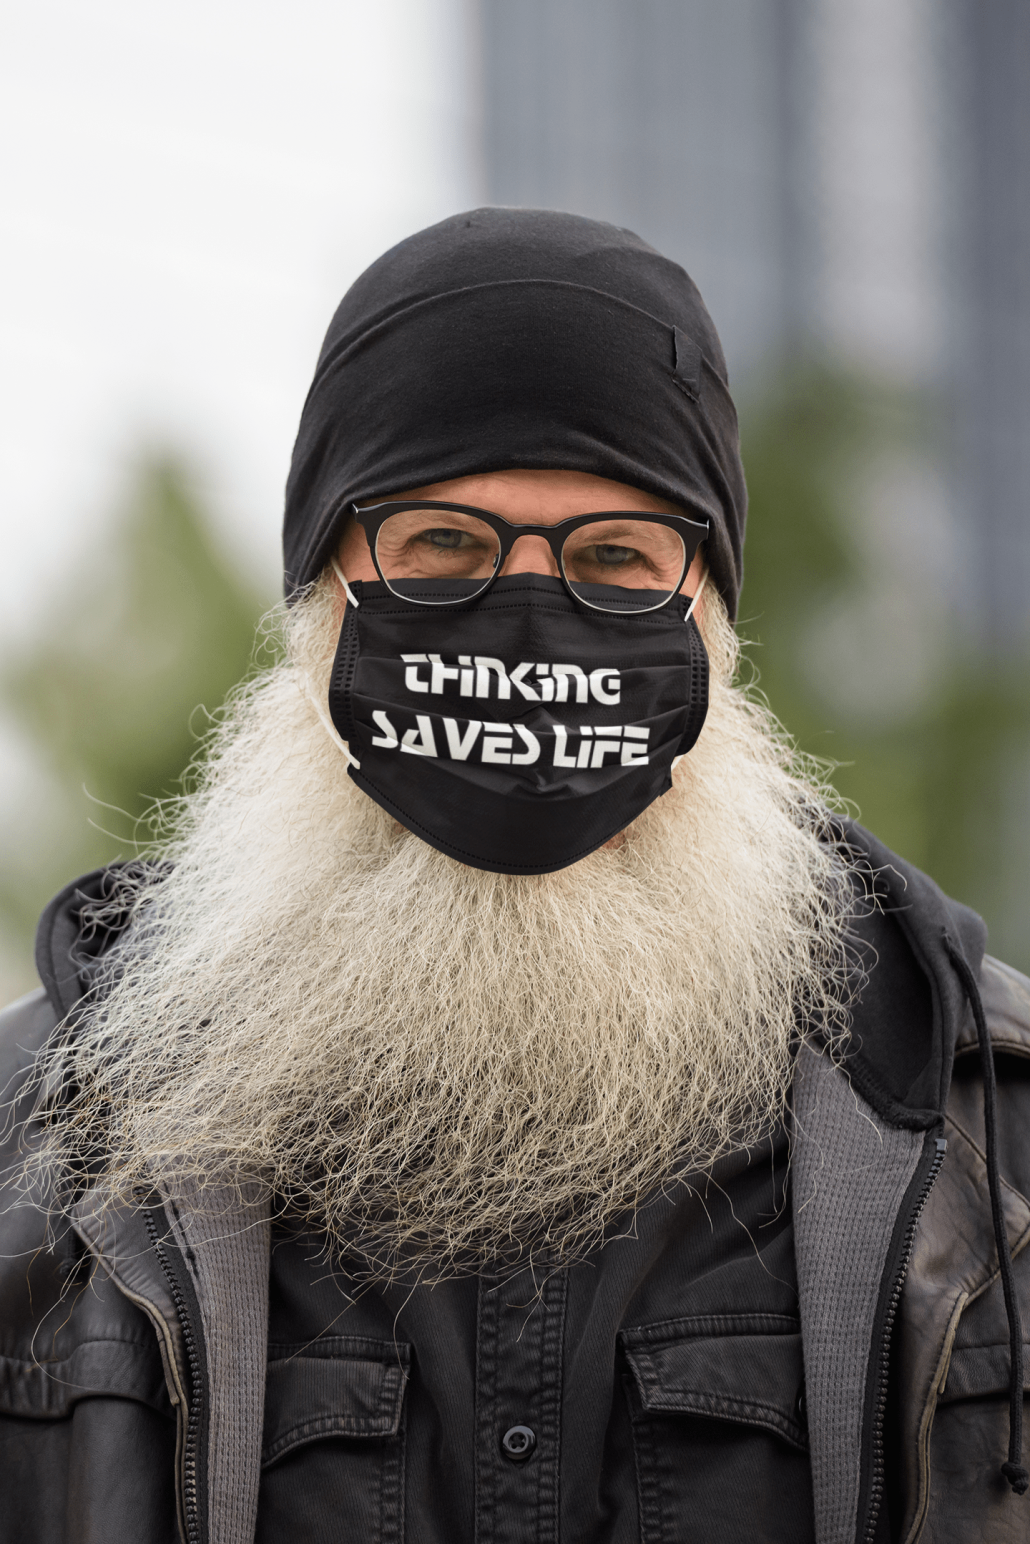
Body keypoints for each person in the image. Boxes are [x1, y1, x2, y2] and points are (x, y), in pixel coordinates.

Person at [1, 208, 1029, 1544]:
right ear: (315, 608)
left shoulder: (987, 1150)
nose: (531, 618)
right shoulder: (36, 1157)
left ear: (716, 626)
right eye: (442, 547)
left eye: (614, 559)